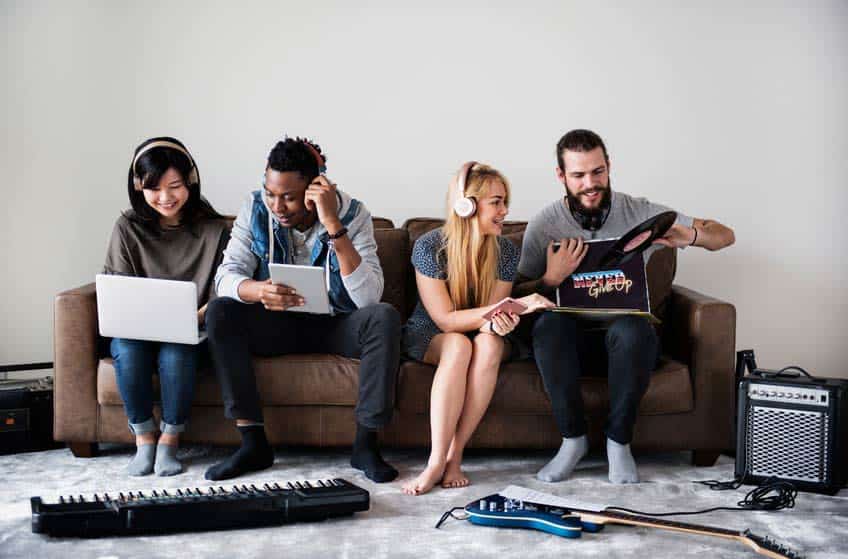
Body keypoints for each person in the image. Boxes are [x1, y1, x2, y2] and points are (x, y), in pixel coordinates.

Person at [515, 129, 735, 484]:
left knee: (633, 328)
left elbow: (725, 237)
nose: (590, 183)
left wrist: (692, 235)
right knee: (550, 326)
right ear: (561, 175)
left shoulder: (639, 212)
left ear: (609, 166)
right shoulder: (545, 224)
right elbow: (517, 294)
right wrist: (550, 279)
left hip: (630, 345)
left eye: (597, 172)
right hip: (571, 345)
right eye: (578, 175)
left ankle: (619, 443)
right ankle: (572, 441)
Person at [204, 137, 401, 482]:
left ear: (314, 189)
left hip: (336, 324)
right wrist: (258, 290)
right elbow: (226, 276)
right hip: (277, 324)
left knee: (383, 316)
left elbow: (368, 298)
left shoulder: (354, 214)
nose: (277, 206)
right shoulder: (255, 208)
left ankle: (365, 446)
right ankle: (253, 443)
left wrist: (333, 226)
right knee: (220, 311)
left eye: (289, 197)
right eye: (271, 193)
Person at [401, 162, 554, 496]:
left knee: (490, 344)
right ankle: (435, 461)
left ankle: (455, 455)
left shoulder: (506, 252)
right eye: (496, 202)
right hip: (433, 331)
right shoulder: (429, 247)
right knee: (458, 344)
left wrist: (501, 320)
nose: (505, 211)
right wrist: (515, 304)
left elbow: (491, 318)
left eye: (505, 202)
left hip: (477, 331)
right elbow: (445, 320)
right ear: (466, 206)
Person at [104, 137, 230, 476]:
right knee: (127, 349)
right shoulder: (127, 227)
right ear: (138, 186)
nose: (165, 197)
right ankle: (144, 438)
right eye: (154, 188)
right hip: (136, 328)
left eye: (174, 186)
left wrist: (192, 317)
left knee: (177, 351)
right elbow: (118, 287)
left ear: (191, 181)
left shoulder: (215, 230)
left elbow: (223, 291)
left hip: (192, 328)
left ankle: (169, 440)